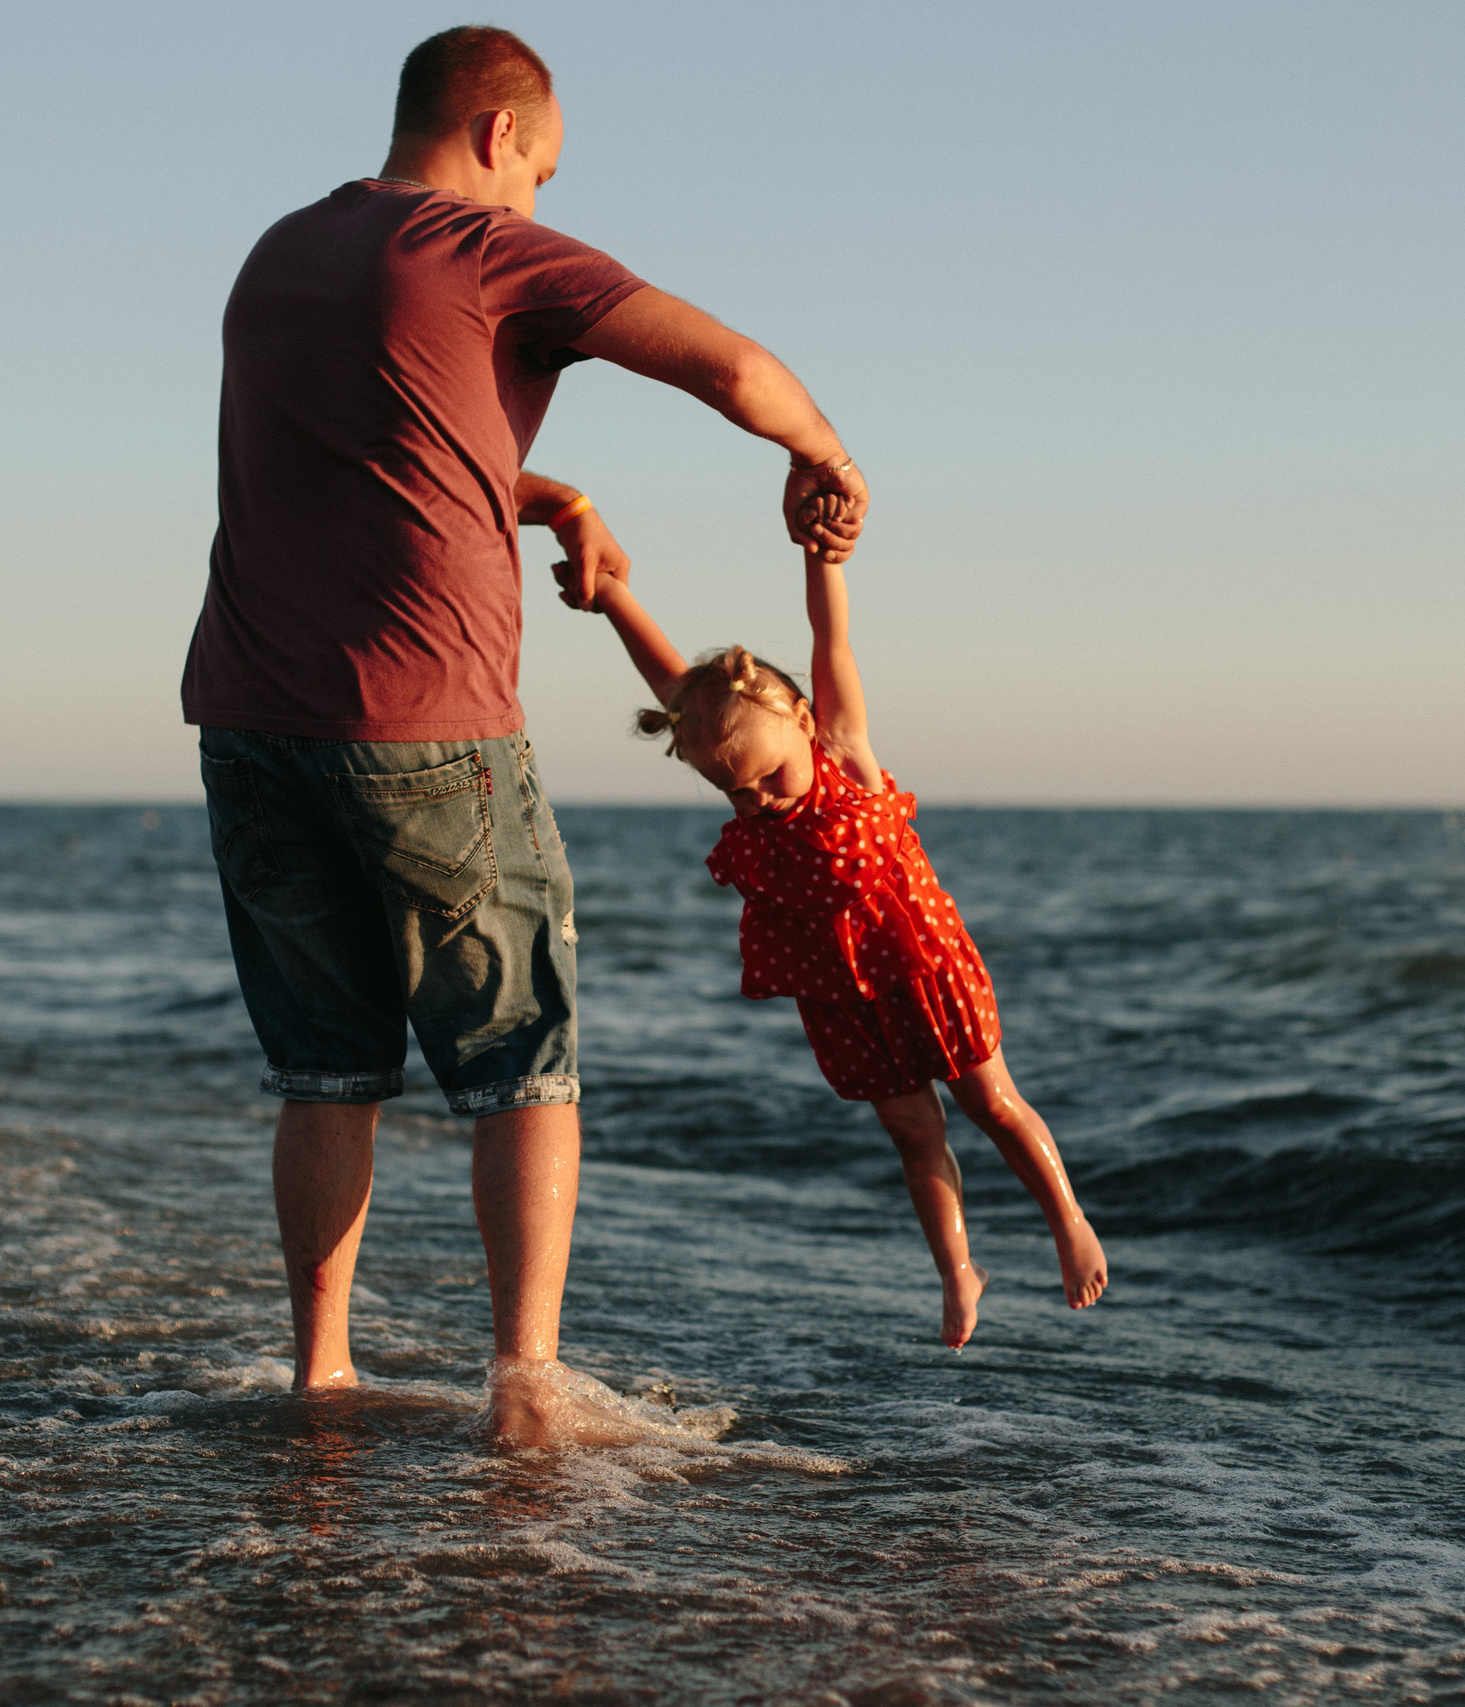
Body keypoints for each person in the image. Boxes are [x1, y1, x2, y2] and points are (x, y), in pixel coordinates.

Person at [179, 26, 869, 1441]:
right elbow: (732, 369)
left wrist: (557, 500)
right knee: (522, 1064)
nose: (538, 198)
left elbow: (394, 456)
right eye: (541, 172)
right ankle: (524, 1389)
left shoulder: (277, 257)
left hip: (250, 721)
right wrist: (826, 455)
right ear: (500, 134)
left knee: (327, 1068)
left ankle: (319, 1375)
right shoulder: (486, 249)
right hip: (425, 719)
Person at [580, 548, 1108, 1348]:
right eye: (734, 792)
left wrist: (819, 554)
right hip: (837, 996)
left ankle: (1068, 1220)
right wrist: (613, 597)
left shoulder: (843, 753)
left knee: (990, 1103)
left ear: (802, 723)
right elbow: (672, 683)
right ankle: (957, 1270)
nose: (757, 801)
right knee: (913, 1133)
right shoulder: (739, 767)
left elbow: (831, 637)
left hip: (922, 966)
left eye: (770, 779)